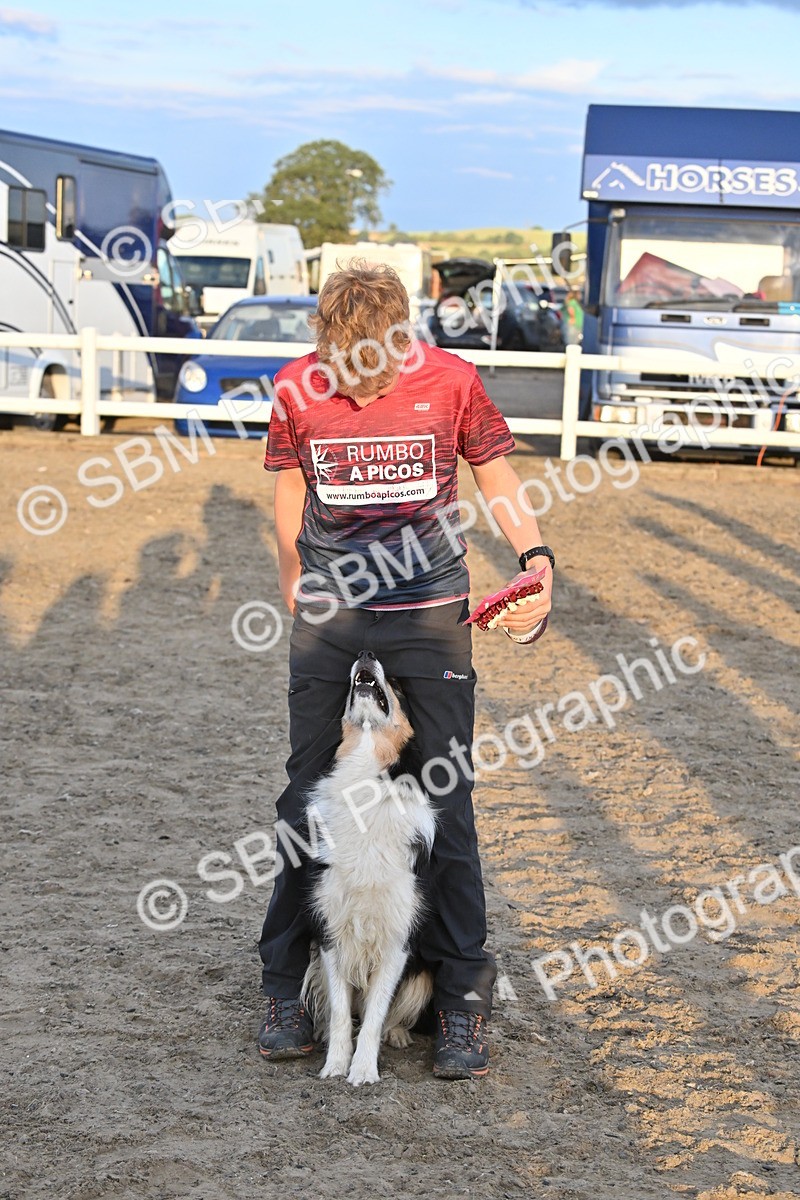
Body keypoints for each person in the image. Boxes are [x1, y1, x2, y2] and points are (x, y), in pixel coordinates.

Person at [257, 263, 553, 1080]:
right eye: (342, 365)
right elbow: (290, 483)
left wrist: (535, 556)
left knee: (447, 805)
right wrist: (292, 577)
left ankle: (461, 1002)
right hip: (333, 616)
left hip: (430, 613)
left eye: (374, 364)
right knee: (303, 799)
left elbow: (494, 469)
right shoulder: (294, 388)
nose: (358, 381)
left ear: (402, 337)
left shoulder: (452, 380)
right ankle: (284, 988)